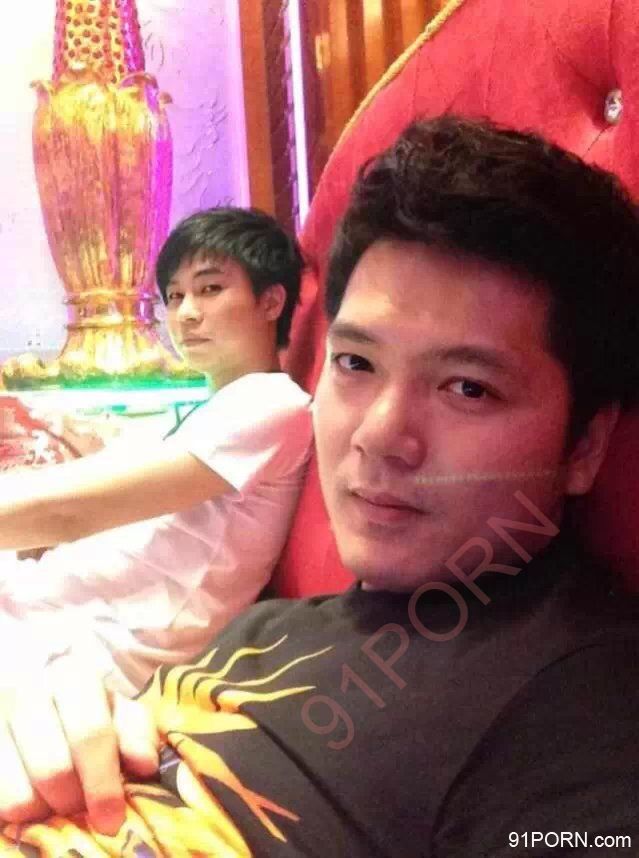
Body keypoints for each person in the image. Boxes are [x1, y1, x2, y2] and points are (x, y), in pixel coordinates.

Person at [1, 117, 639, 856]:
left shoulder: (574, 700)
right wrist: (57, 730)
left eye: (467, 387)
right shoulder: (267, 631)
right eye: (355, 365)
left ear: (585, 445)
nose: (378, 435)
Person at [0, 207, 313, 695]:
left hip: (82, 645)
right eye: (175, 295)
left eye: (210, 289)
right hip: (47, 607)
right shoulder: (210, 410)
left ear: (271, 301)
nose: (185, 314)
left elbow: (67, 512)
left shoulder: (272, 403)